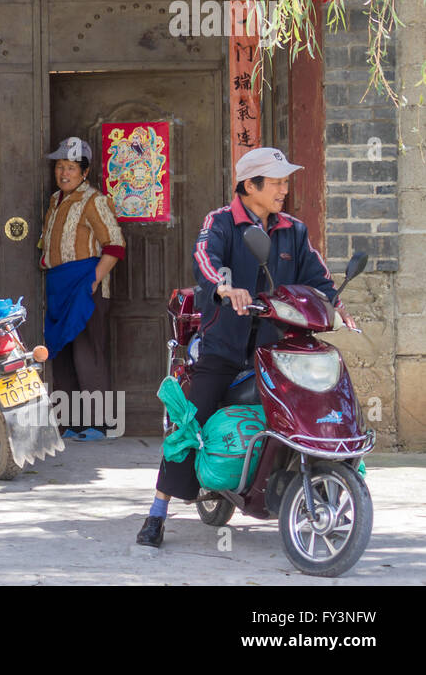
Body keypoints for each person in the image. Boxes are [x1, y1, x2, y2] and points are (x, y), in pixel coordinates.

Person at [135, 146, 354, 548]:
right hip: (224, 346)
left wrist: (338, 306)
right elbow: (204, 256)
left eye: (286, 181)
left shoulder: (293, 230)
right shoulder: (220, 222)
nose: (284, 189)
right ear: (249, 185)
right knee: (191, 420)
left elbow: (318, 278)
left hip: (275, 347)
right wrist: (223, 286)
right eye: (276, 182)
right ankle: (158, 511)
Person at [40, 137, 125, 441]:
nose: (64, 173)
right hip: (59, 286)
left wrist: (92, 280)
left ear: (84, 173)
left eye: (71, 168)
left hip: (85, 288)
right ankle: (70, 422)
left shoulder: (94, 201)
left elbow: (115, 246)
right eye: (60, 166)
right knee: (61, 353)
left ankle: (99, 424)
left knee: (88, 354)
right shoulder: (55, 200)